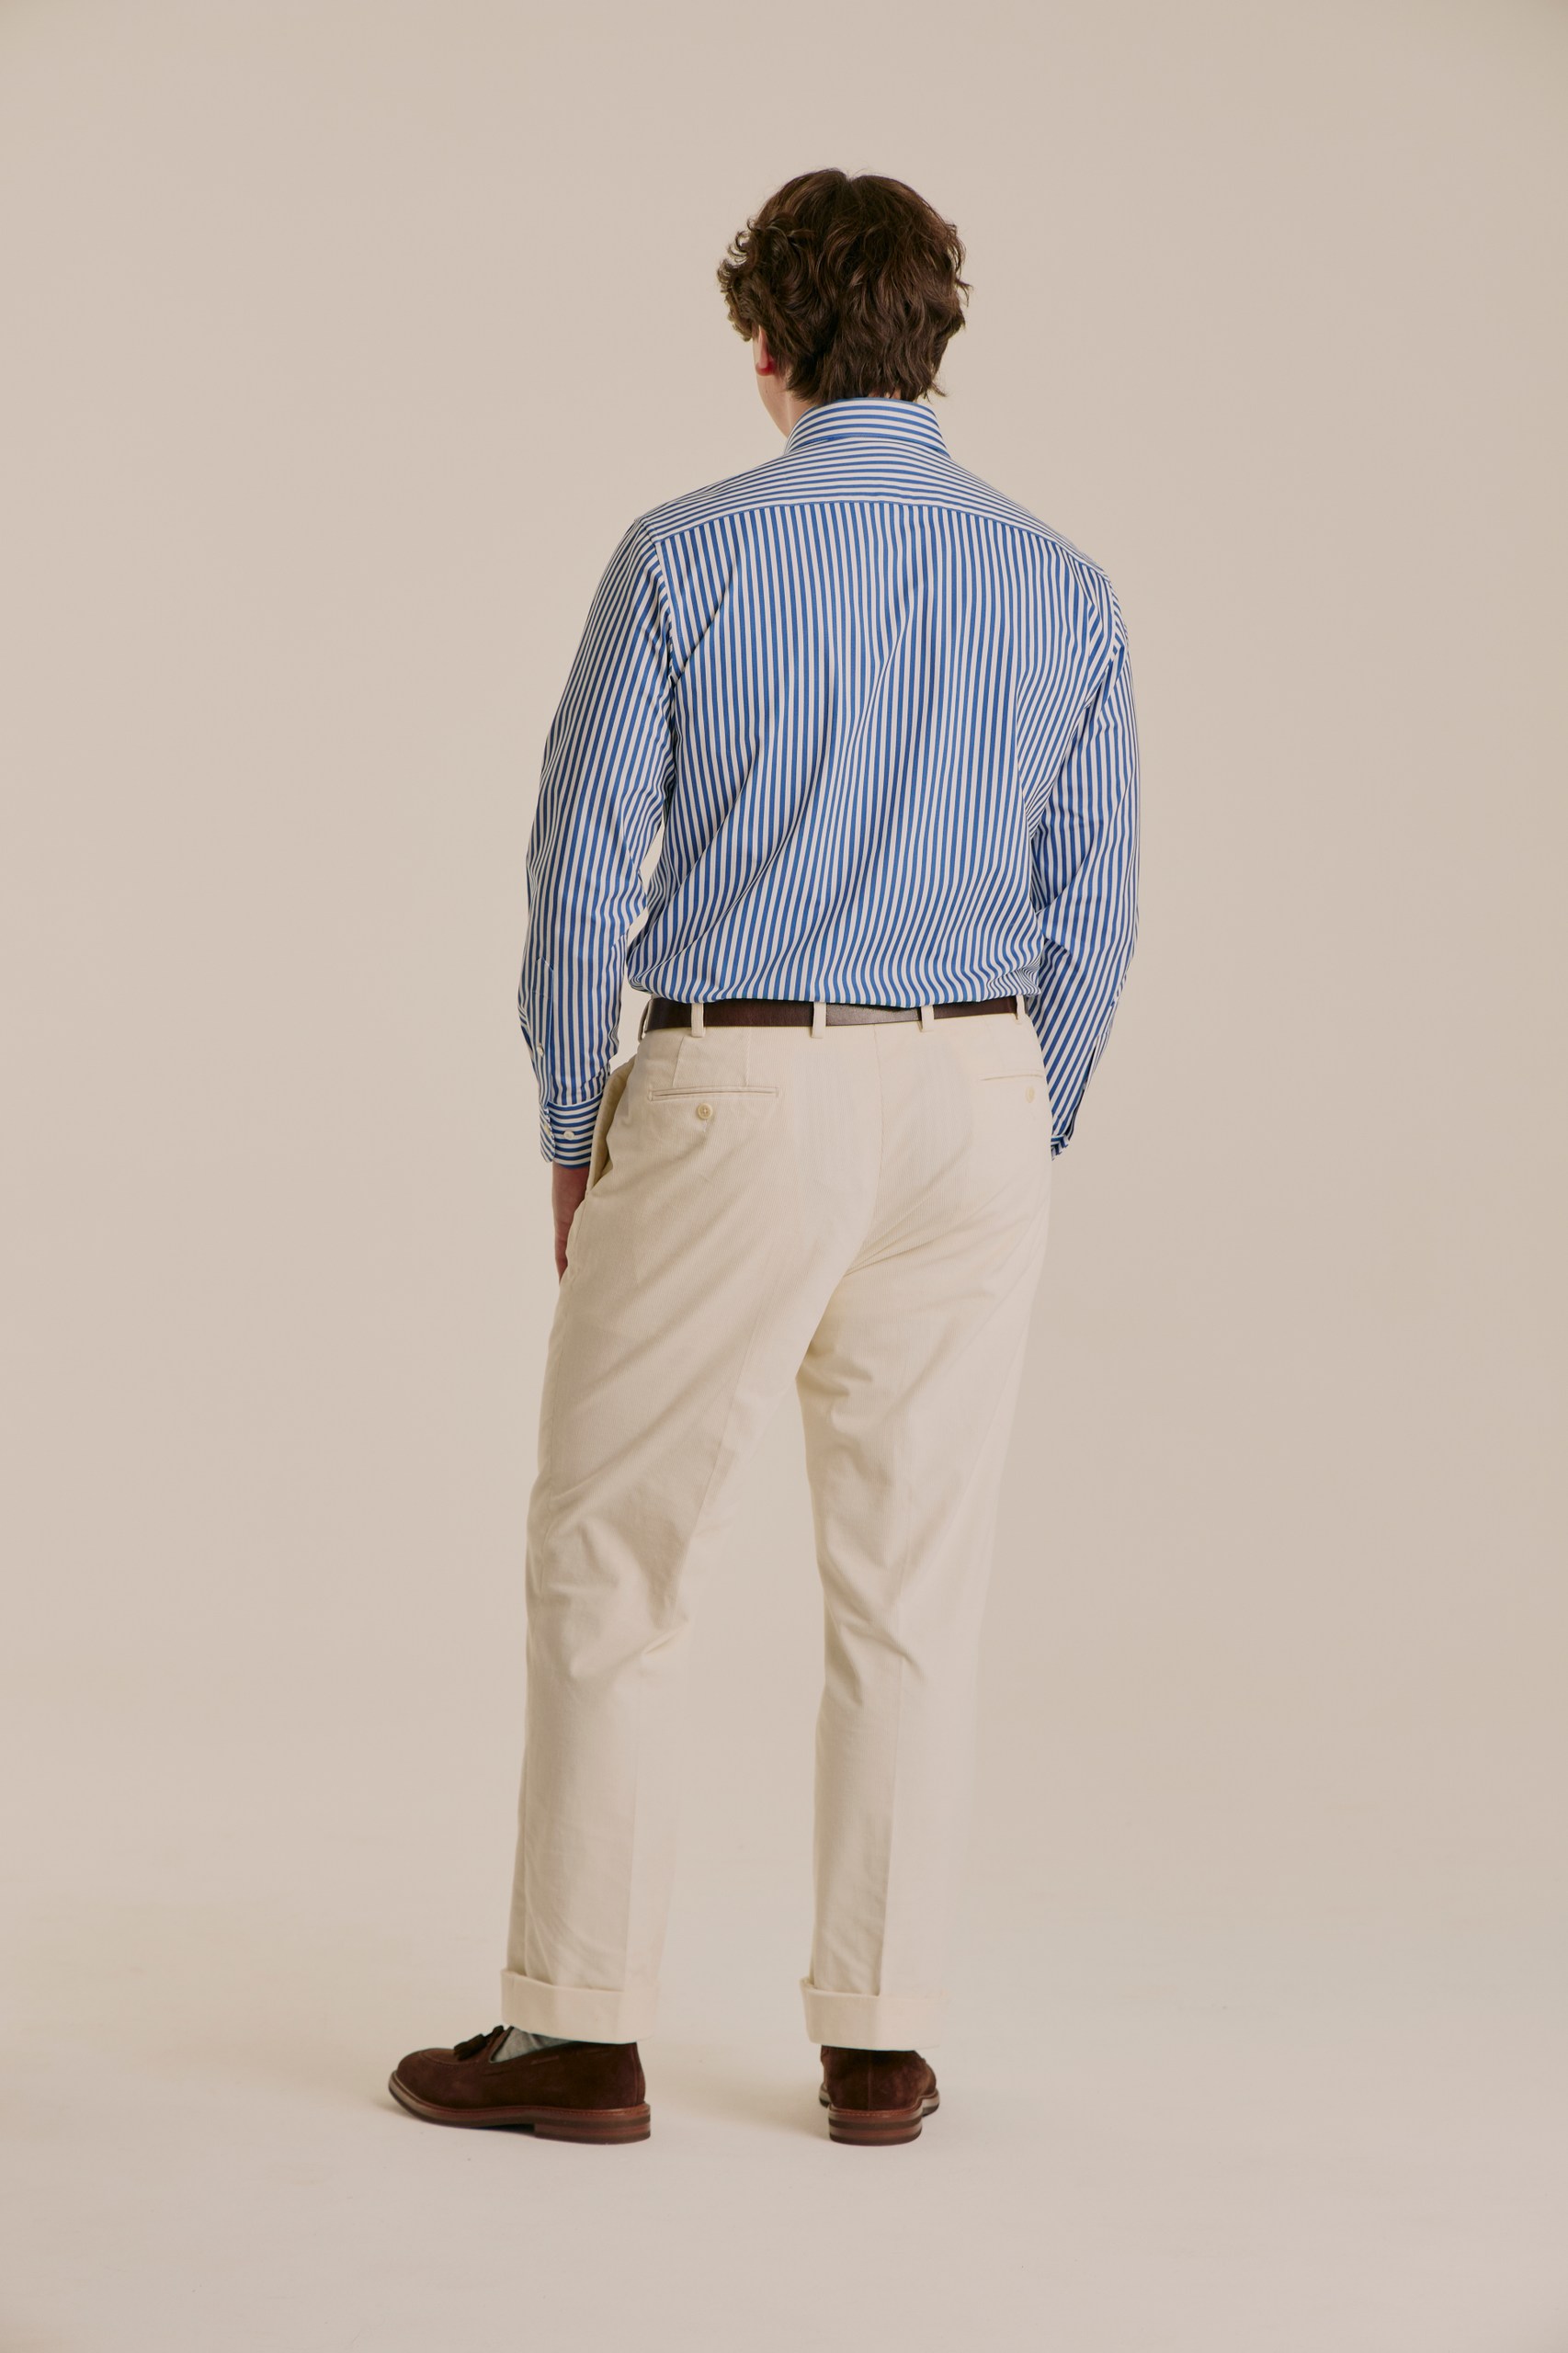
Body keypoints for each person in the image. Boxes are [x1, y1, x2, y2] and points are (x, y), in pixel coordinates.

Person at [390, 165, 1140, 2148]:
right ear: (938, 338)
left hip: (742, 1079)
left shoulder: (684, 556)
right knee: (912, 1581)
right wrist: (1012, 1114)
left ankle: (578, 2029)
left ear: (764, 345)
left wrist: (576, 1126)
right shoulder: (1063, 584)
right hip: (976, 1093)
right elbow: (1097, 911)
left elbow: (576, 879)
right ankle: (879, 2040)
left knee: (614, 1557)